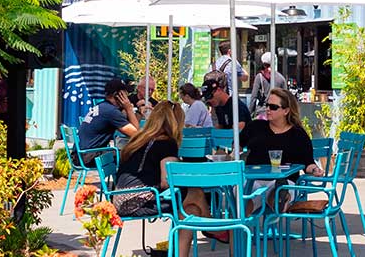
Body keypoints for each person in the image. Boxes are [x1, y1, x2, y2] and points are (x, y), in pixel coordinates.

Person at [115, 102, 221, 245]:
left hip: (120, 198)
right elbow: (166, 182)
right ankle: (213, 228)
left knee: (192, 210)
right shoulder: (166, 143)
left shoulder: (138, 140)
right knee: (195, 192)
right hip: (140, 199)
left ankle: (209, 229)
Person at [240, 88, 322, 174]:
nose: (268, 109)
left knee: (280, 185)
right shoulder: (255, 126)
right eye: (267, 105)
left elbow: (308, 163)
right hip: (253, 180)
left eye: (273, 107)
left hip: (284, 183)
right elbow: (237, 145)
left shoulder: (298, 134)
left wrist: (315, 170)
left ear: (286, 111)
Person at [76, 79, 142, 165]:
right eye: (125, 94)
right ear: (117, 95)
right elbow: (135, 133)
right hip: (89, 156)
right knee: (133, 154)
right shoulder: (111, 112)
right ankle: (126, 179)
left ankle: (120, 178)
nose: (127, 97)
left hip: (81, 154)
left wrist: (137, 112)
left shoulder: (103, 106)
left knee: (126, 153)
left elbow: (129, 124)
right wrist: (128, 108)